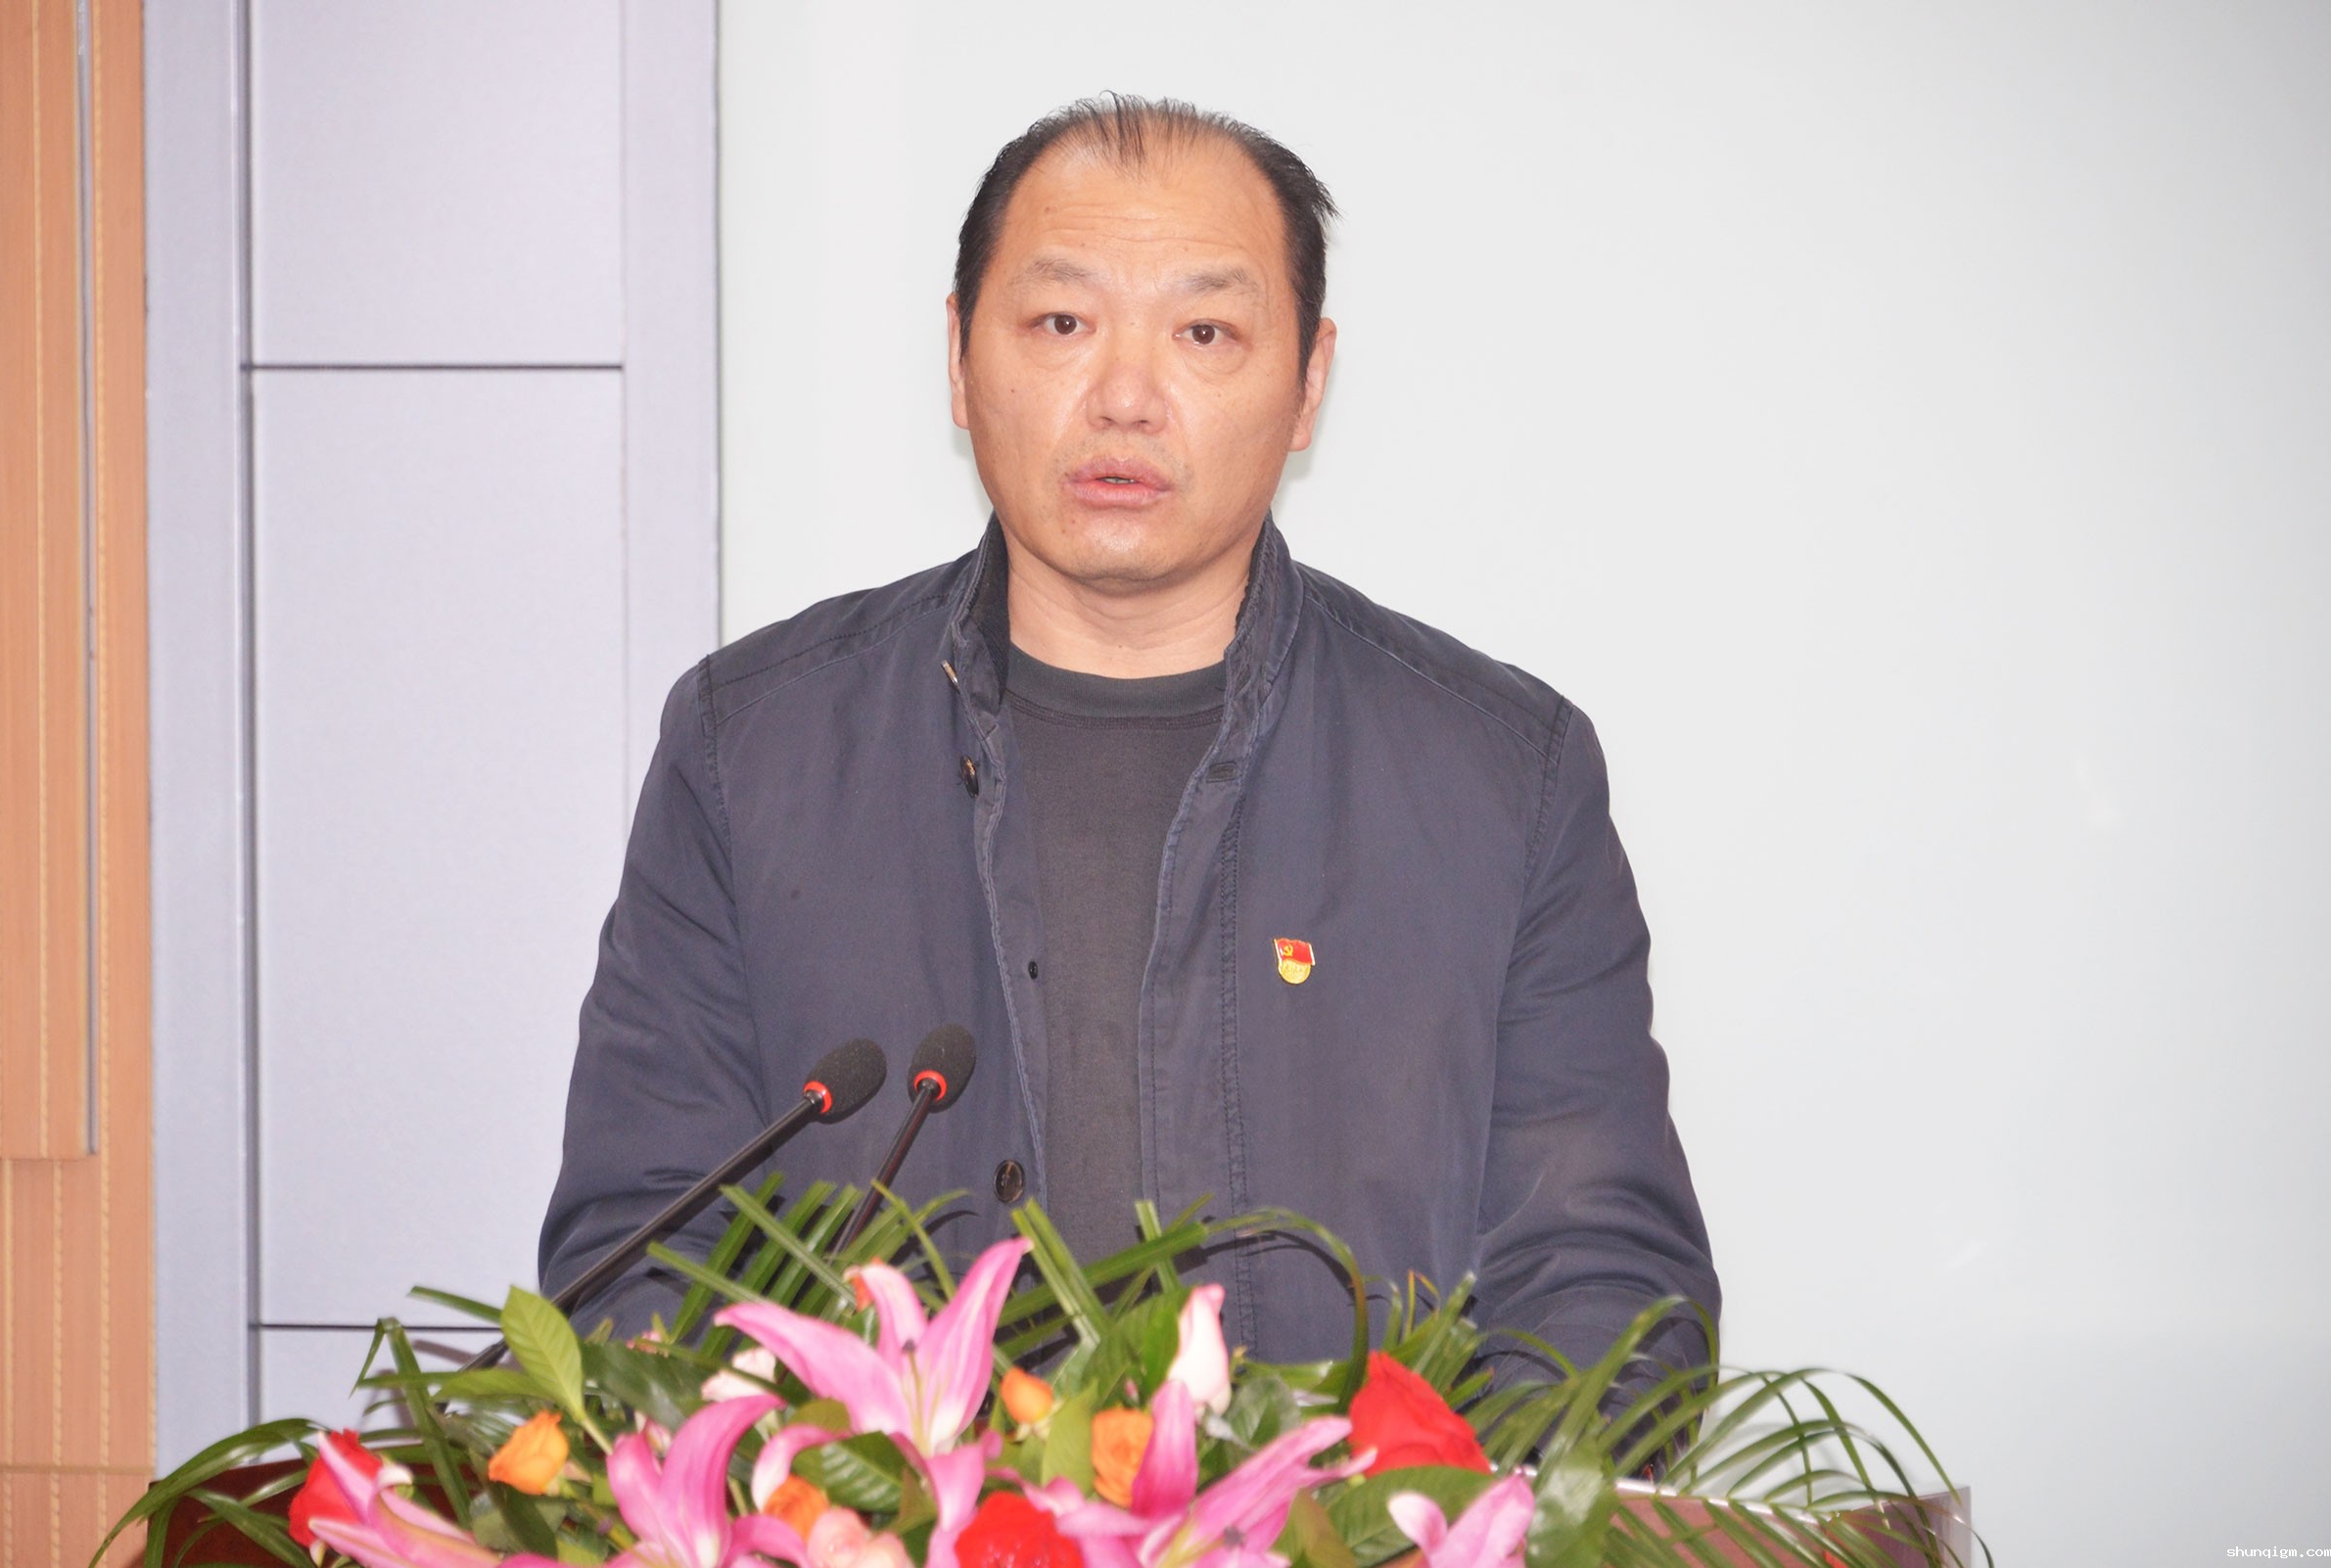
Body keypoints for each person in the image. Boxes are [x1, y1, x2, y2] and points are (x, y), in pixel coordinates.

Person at [539, 96, 1718, 1393]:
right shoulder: (752, 750)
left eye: (1204, 332)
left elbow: (1601, 1292)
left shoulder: (1503, 780)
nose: (1124, 398)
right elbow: (641, 1253)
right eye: (1062, 323)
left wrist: (1403, 1500)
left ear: (1308, 383)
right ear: (959, 358)